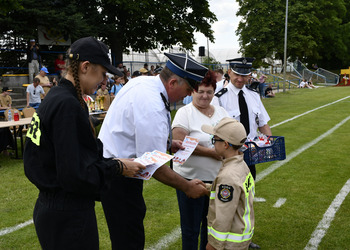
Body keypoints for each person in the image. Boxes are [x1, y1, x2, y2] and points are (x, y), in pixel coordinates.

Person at [23, 36, 145, 250]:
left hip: (53, 208)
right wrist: (118, 167)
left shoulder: (57, 97)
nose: (104, 81)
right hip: (68, 214)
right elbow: (75, 174)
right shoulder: (67, 105)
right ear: (86, 67)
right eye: (102, 73)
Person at [98, 53, 209, 249]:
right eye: (188, 89)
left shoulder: (145, 83)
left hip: (115, 168)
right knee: (129, 240)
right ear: (173, 82)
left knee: (127, 234)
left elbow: (134, 130)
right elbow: (154, 166)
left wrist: (167, 143)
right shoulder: (152, 105)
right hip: (120, 176)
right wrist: (187, 186)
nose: (189, 94)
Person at [211, 57, 271, 249]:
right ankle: (220, 240)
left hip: (249, 157)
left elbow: (262, 123)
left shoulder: (253, 95)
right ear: (229, 72)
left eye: (245, 75)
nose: (241, 79)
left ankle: (245, 238)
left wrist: (269, 141)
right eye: (237, 74)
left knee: (246, 199)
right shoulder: (219, 96)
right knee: (227, 201)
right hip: (228, 158)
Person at [172, 70, 229, 250]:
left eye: (209, 92)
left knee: (211, 228)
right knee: (190, 229)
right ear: (193, 92)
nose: (205, 96)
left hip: (217, 180)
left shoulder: (221, 111)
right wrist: (211, 153)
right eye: (201, 91)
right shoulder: (184, 113)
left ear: (214, 92)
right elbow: (180, 144)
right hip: (190, 179)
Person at [201, 118, 255, 250]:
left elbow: (223, 217)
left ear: (225, 144)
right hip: (240, 237)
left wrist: (213, 245)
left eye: (215, 139)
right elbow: (236, 195)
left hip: (228, 243)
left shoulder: (228, 176)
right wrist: (207, 188)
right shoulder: (241, 165)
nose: (213, 143)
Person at [0, 87, 14, 156]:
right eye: (8, 91)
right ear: (4, 91)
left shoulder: (9, 97)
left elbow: (10, 107)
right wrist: (7, 108)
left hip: (7, 112)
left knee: (5, 129)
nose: (9, 93)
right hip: (1, 113)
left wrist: (8, 108)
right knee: (4, 130)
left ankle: (9, 147)